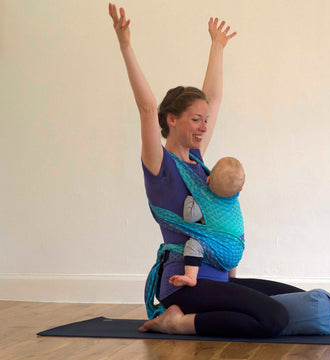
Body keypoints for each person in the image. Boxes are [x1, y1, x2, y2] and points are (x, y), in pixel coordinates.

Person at [108, 3, 304, 337]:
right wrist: (125, 45)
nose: (202, 127)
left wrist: (217, 47)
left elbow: (213, 98)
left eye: (205, 121)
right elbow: (146, 108)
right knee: (275, 319)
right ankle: (178, 322)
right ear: (172, 120)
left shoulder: (198, 159)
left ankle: (207, 310)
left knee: (298, 302)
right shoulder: (161, 166)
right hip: (183, 285)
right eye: (194, 120)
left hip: (217, 276)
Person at [169, 156, 246, 287]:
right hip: (236, 252)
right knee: (235, 238)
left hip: (219, 250)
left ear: (208, 179)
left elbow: (189, 217)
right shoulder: (234, 199)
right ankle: (232, 276)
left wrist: (192, 195)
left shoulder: (205, 198)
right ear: (240, 189)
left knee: (194, 244)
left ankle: (190, 276)